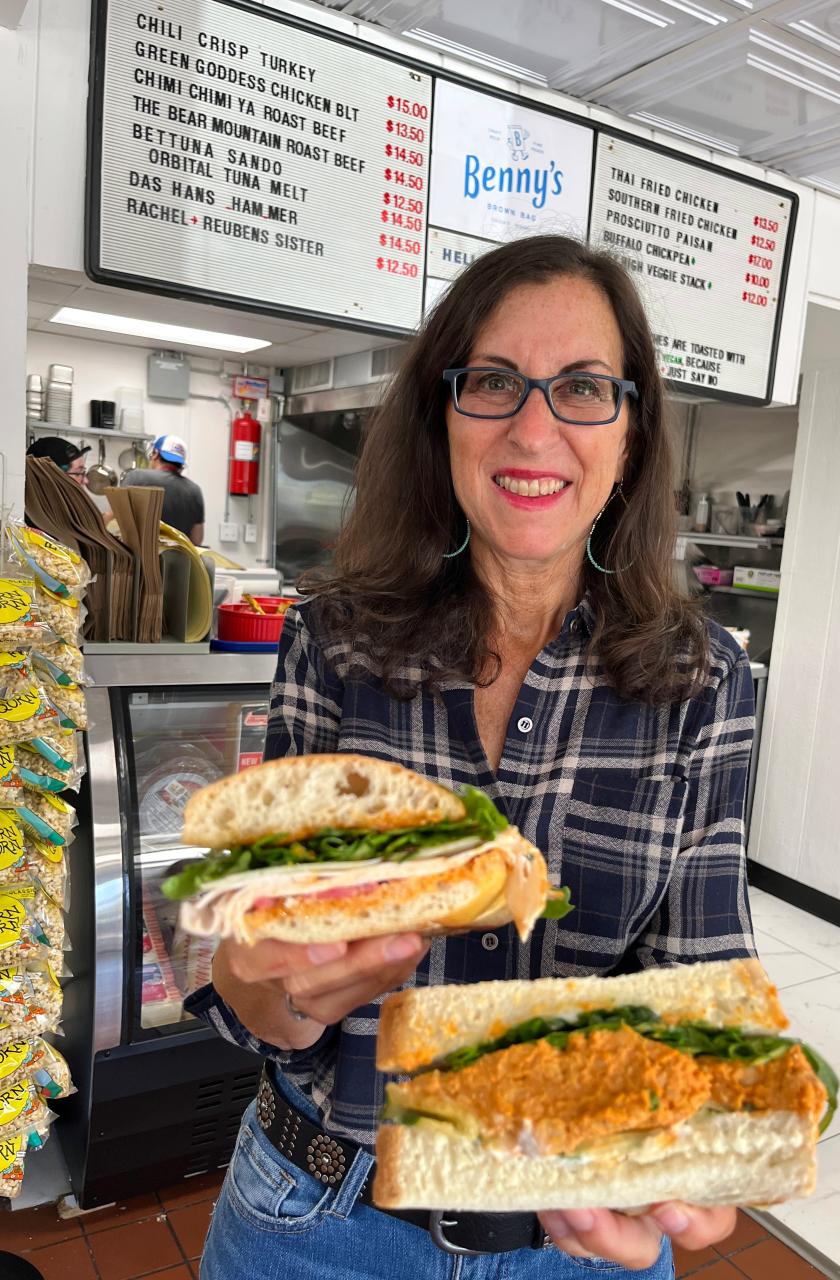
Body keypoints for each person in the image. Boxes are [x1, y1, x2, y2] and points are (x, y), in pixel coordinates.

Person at [187, 235, 756, 1278]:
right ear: (443, 416)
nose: (534, 428)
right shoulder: (334, 639)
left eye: (583, 386)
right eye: (494, 380)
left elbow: (698, 985)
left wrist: (693, 1152)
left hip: (572, 1239)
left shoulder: (706, 681)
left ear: (631, 431)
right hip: (319, 1216)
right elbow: (254, 1006)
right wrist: (279, 980)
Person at [116, 434, 205, 544]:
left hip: (139, 558)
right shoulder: (195, 491)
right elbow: (197, 539)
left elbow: (114, 519)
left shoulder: (135, 477)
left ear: (155, 454)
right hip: (179, 559)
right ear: (181, 465)